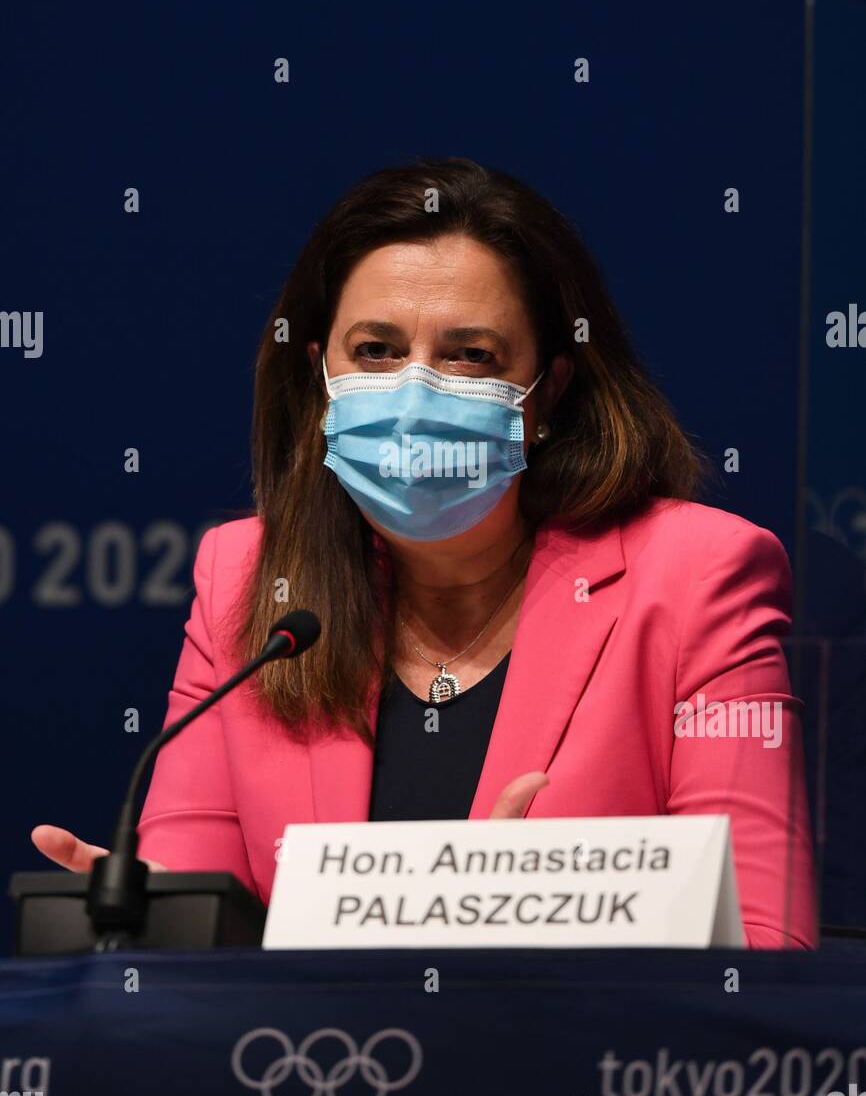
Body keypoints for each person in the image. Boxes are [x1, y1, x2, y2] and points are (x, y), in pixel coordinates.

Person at [31, 157, 817, 948]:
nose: (413, 393)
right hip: (317, 1069)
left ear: (547, 392)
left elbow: (764, 946)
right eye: (374, 350)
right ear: (319, 377)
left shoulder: (697, 577)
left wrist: (516, 921)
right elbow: (200, 929)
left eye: (469, 355)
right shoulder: (247, 582)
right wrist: (147, 926)